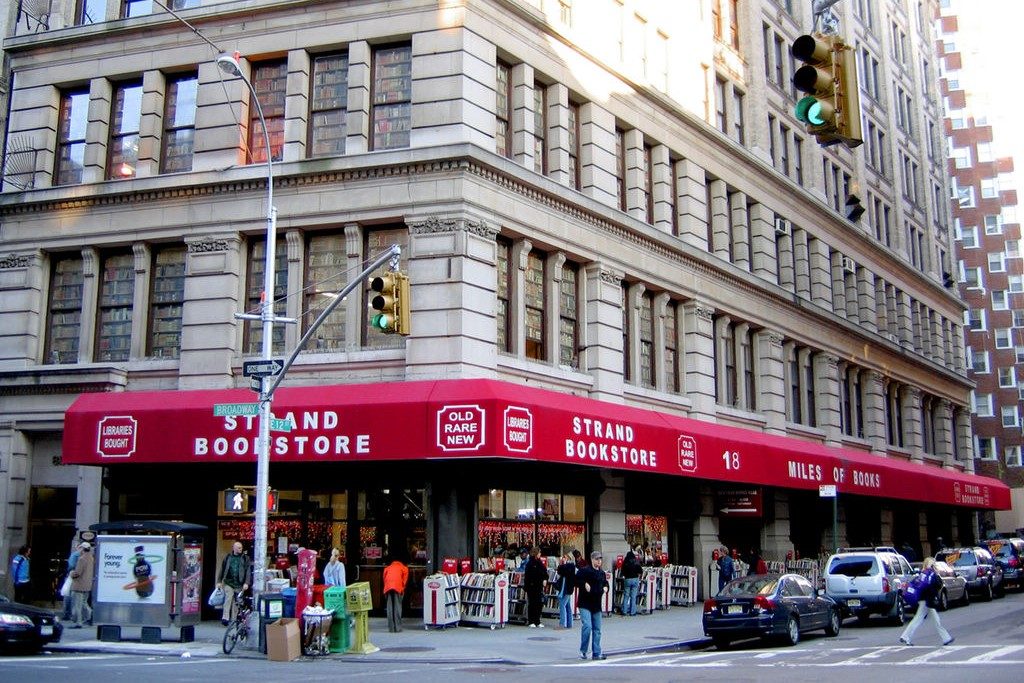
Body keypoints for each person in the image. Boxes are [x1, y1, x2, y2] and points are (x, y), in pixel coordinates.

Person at [899, 557, 954, 647]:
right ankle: (946, 638)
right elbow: (936, 585)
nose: (935, 565)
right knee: (932, 621)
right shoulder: (930, 574)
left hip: (924, 600)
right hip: (927, 601)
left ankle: (905, 637)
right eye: (934, 564)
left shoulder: (923, 574)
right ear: (931, 565)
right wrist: (936, 574)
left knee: (921, 619)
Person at [576, 551, 609, 660]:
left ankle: (596, 652)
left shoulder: (602, 573)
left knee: (597, 629)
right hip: (585, 603)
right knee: (587, 626)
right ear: (592, 560)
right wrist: (584, 584)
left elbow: (605, 582)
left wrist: (606, 587)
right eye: (597, 559)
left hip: (596, 604)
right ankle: (583, 650)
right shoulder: (585, 570)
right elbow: (576, 580)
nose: (599, 561)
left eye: (600, 559)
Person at [217, 541, 251, 626]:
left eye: (241, 548)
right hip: (229, 582)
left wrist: (246, 582)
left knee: (237, 602)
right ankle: (225, 618)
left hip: (239, 583)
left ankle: (234, 619)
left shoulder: (245, 558)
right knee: (228, 598)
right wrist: (219, 581)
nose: (241, 549)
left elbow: (248, 571)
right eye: (239, 548)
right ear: (234, 548)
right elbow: (222, 569)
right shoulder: (228, 557)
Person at [69, 542, 94, 628]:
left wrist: (71, 573)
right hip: (87, 585)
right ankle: (91, 616)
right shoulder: (91, 558)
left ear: (82, 549)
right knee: (84, 603)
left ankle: (79, 622)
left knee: (78, 605)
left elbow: (77, 573)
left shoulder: (81, 559)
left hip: (79, 585)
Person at [382, 555, 409, 632]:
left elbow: (384, 579)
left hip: (388, 587)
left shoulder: (387, 568)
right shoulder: (404, 568)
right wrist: (402, 591)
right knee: (397, 607)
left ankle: (391, 628)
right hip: (397, 587)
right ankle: (398, 628)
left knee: (389, 607)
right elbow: (404, 581)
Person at [523, 546, 548, 628]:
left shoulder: (540, 563)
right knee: (532, 604)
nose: (540, 554)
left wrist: (545, 579)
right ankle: (531, 621)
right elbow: (527, 576)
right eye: (539, 552)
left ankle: (537, 620)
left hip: (539, 586)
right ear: (536, 553)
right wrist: (527, 587)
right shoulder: (530, 563)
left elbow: (545, 572)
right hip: (532, 587)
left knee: (539, 604)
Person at [555, 553, 576, 629]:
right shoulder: (565, 565)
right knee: (567, 606)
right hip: (564, 588)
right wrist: (561, 564)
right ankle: (569, 623)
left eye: (565, 557)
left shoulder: (571, 565)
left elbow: (566, 572)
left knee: (562, 604)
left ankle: (562, 624)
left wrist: (562, 564)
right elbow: (559, 571)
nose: (563, 558)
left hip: (567, 589)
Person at [62, 542, 83, 620]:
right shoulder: (85, 555)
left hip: (71, 576)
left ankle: (66, 614)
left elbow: (70, 566)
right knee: (76, 597)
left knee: (67, 595)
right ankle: (72, 614)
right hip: (80, 578)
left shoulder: (74, 555)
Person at [620, 550, 642, 616]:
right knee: (633, 596)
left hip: (627, 579)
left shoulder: (625, 562)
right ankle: (632, 612)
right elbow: (640, 571)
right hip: (635, 579)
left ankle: (624, 611)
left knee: (626, 596)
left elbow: (622, 572)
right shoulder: (636, 562)